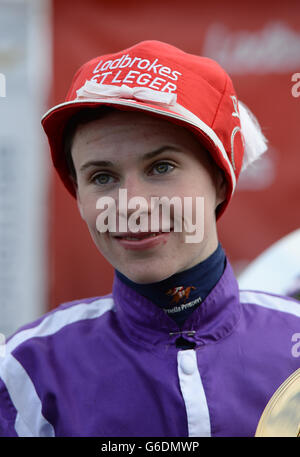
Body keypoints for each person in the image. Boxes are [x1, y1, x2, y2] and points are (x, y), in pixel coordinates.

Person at [0, 40, 299, 438]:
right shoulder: (26, 371)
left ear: (220, 180)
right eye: (102, 177)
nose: (132, 205)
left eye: (161, 167)